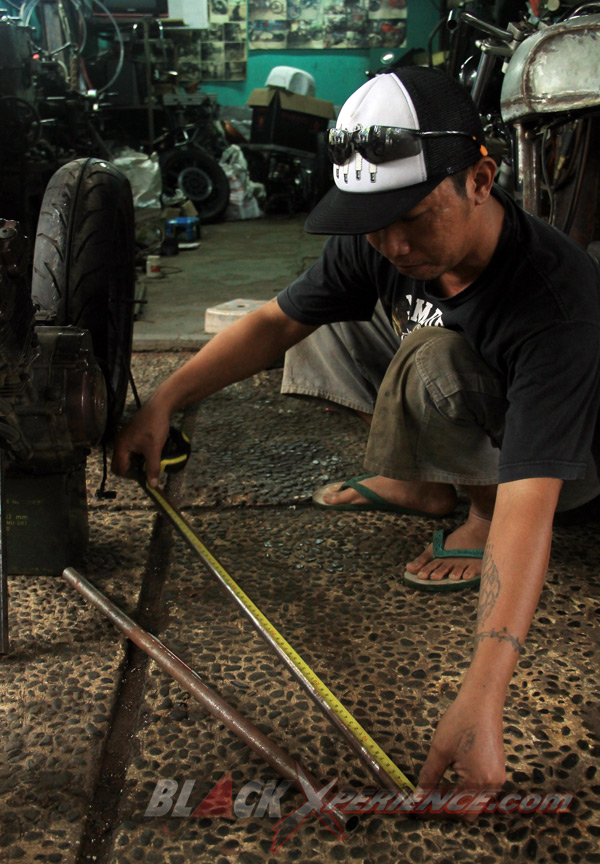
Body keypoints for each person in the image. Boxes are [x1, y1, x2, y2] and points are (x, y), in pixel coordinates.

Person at [112, 67, 600, 806]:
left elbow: (534, 498)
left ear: (480, 176)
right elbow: (275, 323)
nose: (393, 243)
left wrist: (483, 695)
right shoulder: (382, 241)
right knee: (315, 321)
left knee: (434, 355)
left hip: (567, 472)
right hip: (477, 395)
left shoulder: (554, 302)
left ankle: (472, 514)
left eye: (413, 216)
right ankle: (421, 479)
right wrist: (165, 399)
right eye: (376, 219)